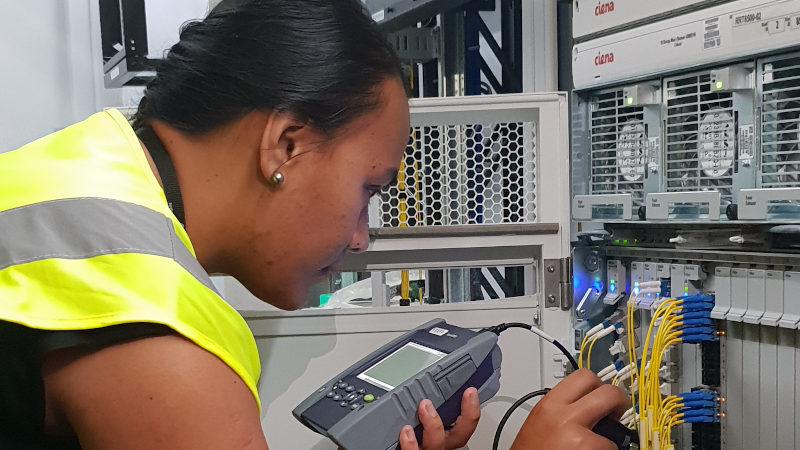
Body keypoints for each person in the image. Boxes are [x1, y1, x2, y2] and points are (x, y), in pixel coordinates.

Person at [0, 0, 627, 448]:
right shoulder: (157, 339)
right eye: (367, 189)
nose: (361, 237)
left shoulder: (80, 171)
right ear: (286, 145)